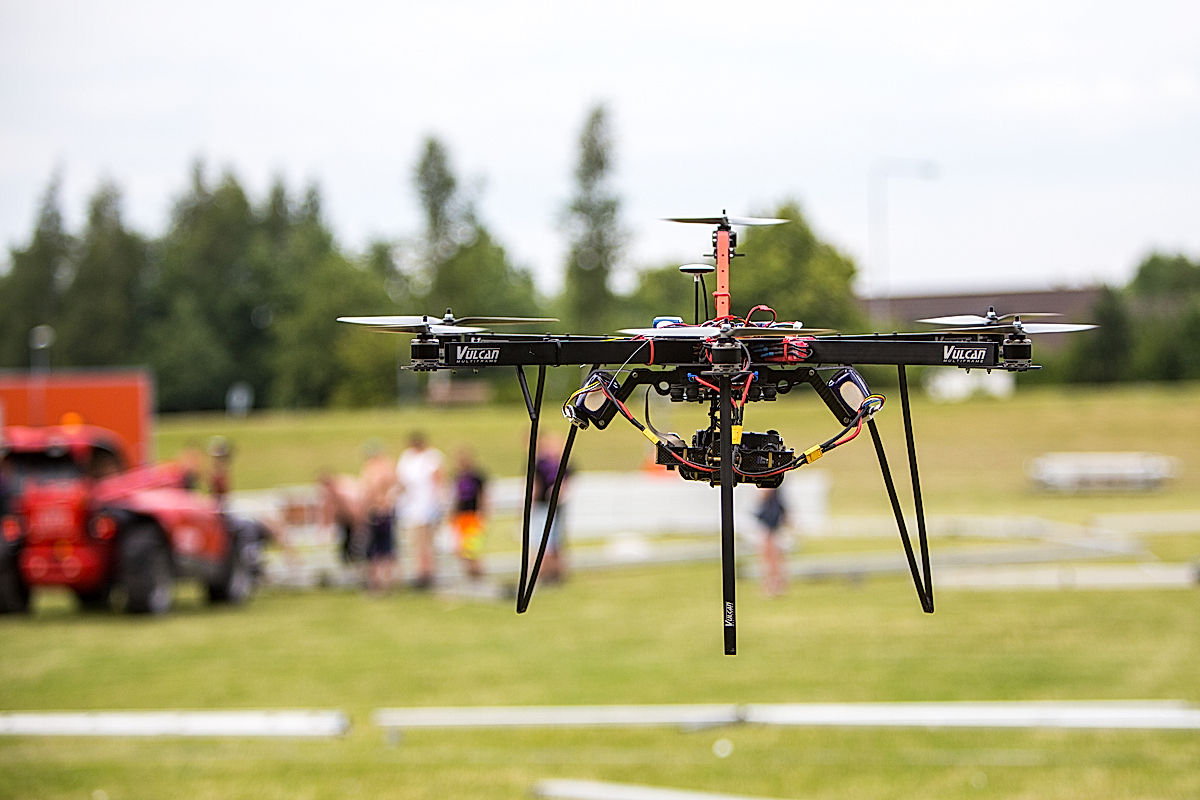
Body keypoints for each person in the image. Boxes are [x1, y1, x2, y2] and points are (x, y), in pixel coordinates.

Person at [396, 432, 444, 590]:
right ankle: (420, 571)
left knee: (426, 541)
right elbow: (402, 481)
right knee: (416, 542)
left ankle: (427, 572)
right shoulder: (407, 458)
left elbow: (438, 481)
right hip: (412, 507)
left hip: (427, 506)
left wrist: (438, 504)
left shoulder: (432, 457)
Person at [530, 434, 570, 583]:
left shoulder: (563, 463)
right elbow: (536, 484)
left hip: (556, 506)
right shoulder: (540, 464)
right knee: (544, 539)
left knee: (554, 540)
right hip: (543, 505)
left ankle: (554, 572)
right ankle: (544, 573)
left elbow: (566, 482)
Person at [360, 442, 398, 594]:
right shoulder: (388, 468)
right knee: (385, 548)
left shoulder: (374, 470)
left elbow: (370, 491)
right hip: (383, 511)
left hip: (377, 512)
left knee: (377, 549)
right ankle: (385, 582)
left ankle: (378, 582)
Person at [450, 448, 488, 581]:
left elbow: (482, 496)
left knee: (472, 548)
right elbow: (455, 497)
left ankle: (477, 573)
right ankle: (470, 573)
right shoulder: (457, 476)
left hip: (473, 515)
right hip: (461, 516)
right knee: (461, 549)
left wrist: (483, 513)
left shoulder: (477, 477)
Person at [754, 485, 789, 596]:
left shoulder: (771, 494)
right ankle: (773, 585)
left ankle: (774, 585)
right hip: (770, 520)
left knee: (772, 557)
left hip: (770, 521)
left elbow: (765, 492)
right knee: (771, 556)